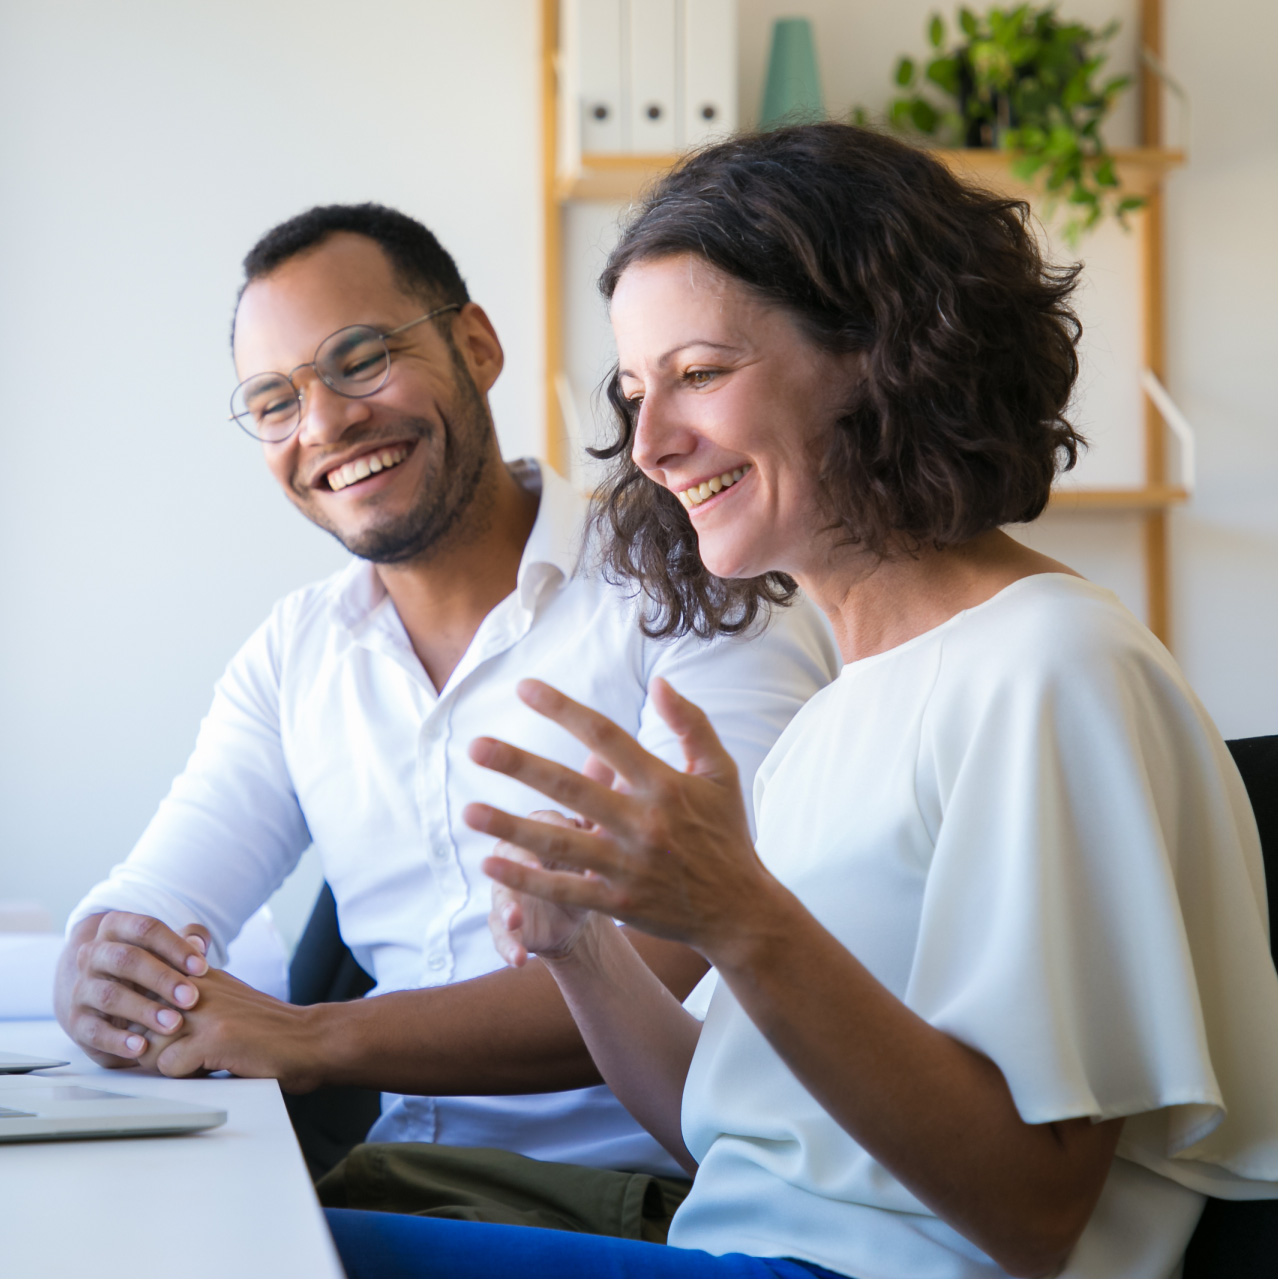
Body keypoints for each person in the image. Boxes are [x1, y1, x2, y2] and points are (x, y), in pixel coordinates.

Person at [324, 126, 1278, 1278]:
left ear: (881, 352)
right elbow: (742, 1139)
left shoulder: (1051, 665)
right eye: (633, 392)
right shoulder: (837, 707)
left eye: (699, 374)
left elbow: (1034, 1214)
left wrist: (738, 913)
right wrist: (581, 948)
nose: (651, 444)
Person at [53, 203, 839, 1223]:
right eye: (275, 401)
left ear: (475, 345)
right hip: (400, 1188)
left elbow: (687, 946)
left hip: (652, 1202)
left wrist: (314, 1037)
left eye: (360, 359)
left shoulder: (696, 587)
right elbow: (155, 900)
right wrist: (101, 969)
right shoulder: (296, 652)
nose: (323, 424)